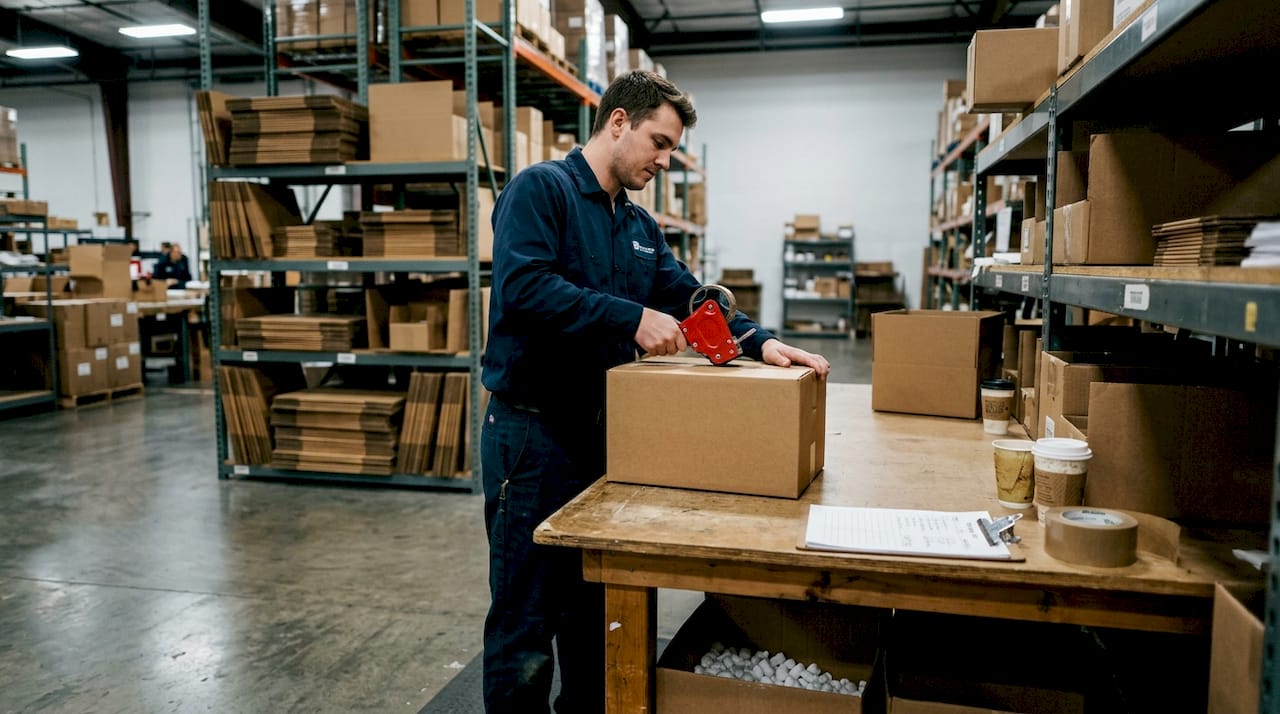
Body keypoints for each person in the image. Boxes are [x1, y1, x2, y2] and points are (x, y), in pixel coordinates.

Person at [480, 70, 830, 714]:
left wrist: (760, 342)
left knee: (594, 602)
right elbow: (523, 289)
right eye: (659, 143)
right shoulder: (542, 190)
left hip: (607, 434)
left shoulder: (639, 224)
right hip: (532, 436)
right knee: (526, 614)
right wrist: (630, 318)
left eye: (672, 149)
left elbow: (688, 297)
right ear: (618, 122)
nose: (665, 161)